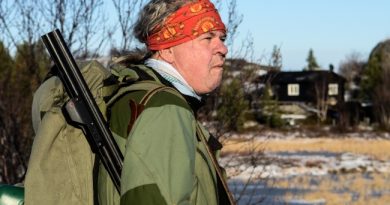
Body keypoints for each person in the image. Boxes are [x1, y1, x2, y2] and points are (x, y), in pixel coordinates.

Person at [97, 0, 232, 204]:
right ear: (168, 49)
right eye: (207, 37)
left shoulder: (139, 92)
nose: (223, 48)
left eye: (222, 37)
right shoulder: (164, 108)